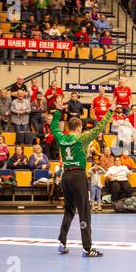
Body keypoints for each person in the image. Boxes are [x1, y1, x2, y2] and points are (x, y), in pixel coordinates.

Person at [52, 100, 114, 257]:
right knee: (84, 212)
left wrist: (58, 112)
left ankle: (62, 241)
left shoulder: (61, 137)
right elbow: (99, 127)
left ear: (69, 128)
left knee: (69, 210)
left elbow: (53, 127)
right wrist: (110, 111)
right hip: (79, 176)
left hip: (65, 176)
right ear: (79, 128)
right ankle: (87, 248)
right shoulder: (82, 138)